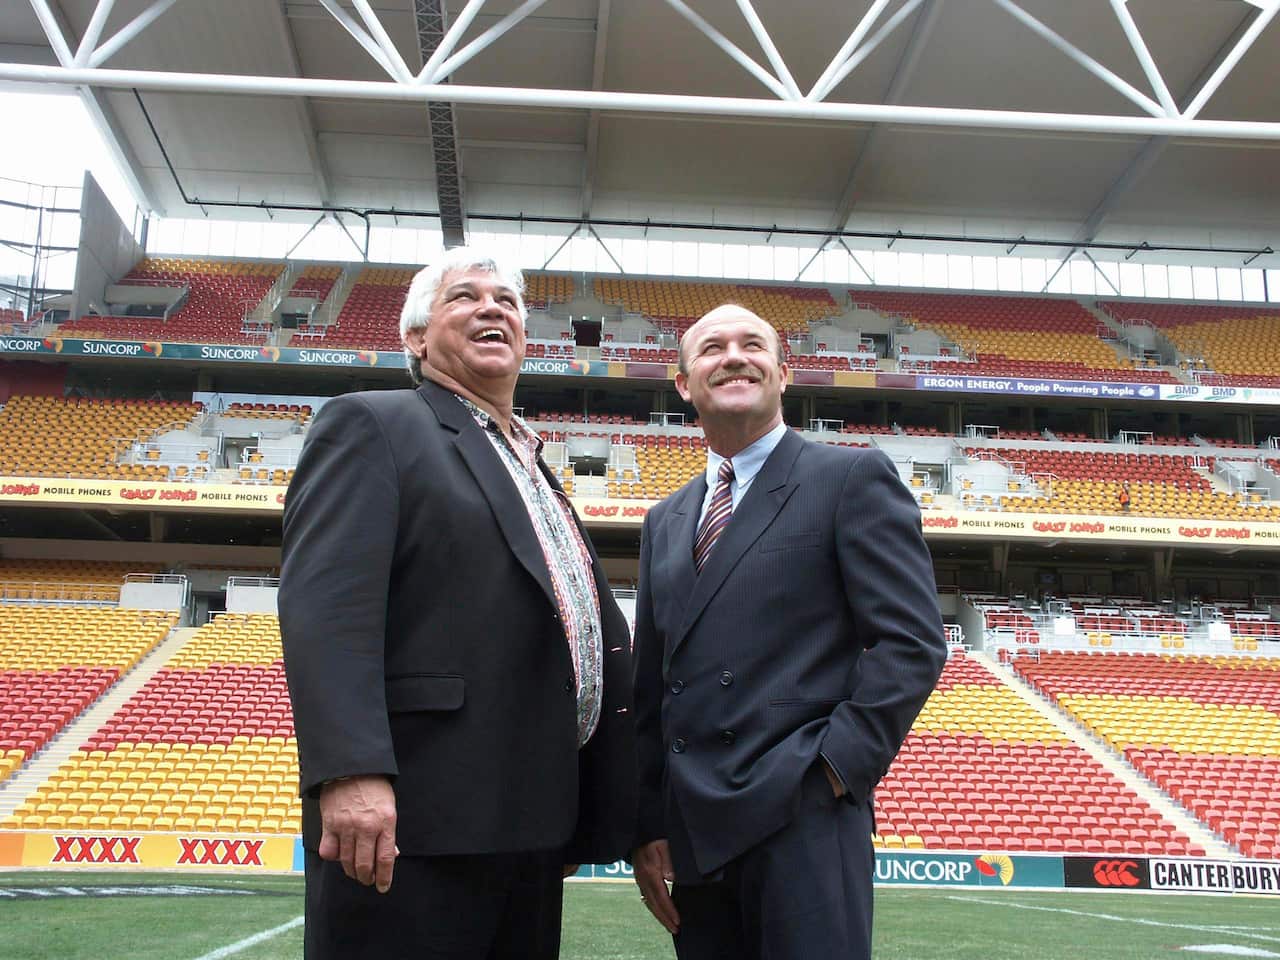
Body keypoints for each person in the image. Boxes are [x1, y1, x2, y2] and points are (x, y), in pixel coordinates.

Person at [279, 246, 636, 960]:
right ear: (416, 338)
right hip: (417, 822)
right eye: (465, 297)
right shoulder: (375, 425)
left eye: (507, 300)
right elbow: (328, 607)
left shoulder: (537, 470)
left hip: (531, 826)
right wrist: (349, 771)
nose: (493, 307)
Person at [631, 304, 947, 960]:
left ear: (783, 374)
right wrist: (649, 822)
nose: (734, 356)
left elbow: (911, 642)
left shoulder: (848, 478)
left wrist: (831, 770)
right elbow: (653, 686)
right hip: (696, 830)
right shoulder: (665, 518)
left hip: (802, 817)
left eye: (753, 344)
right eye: (712, 347)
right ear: (685, 383)